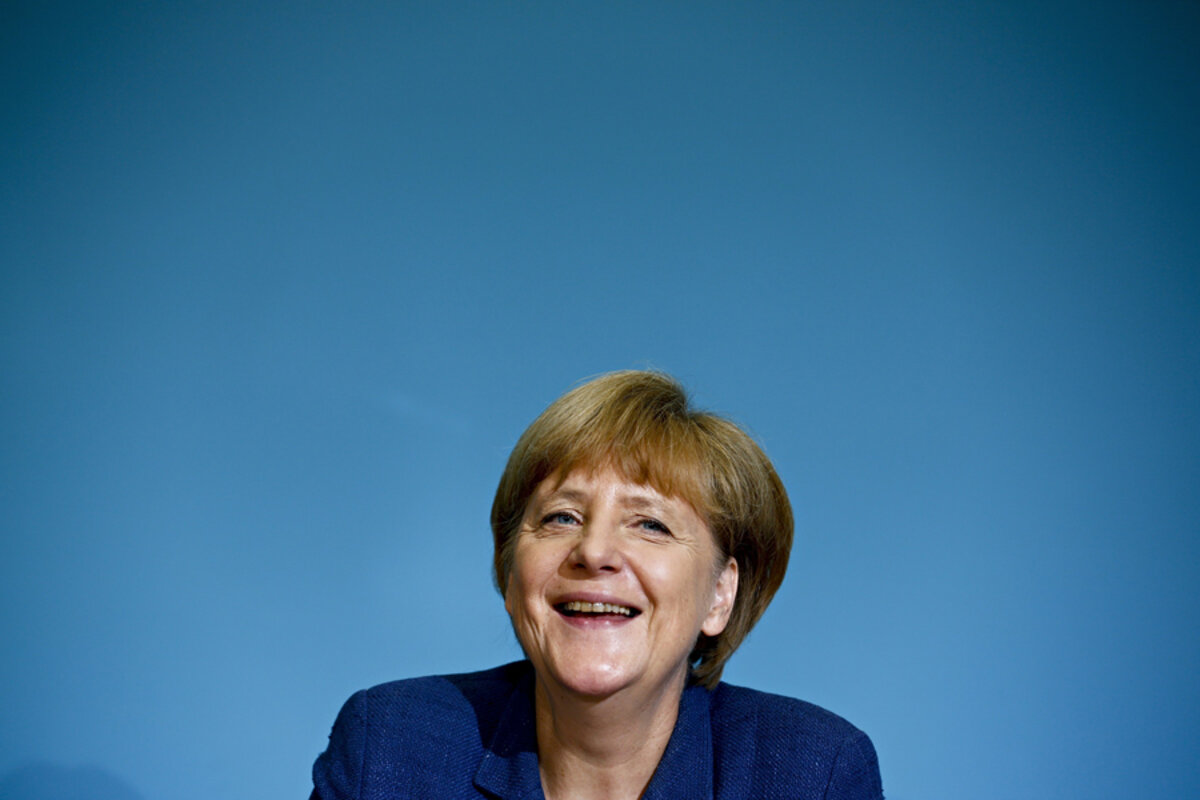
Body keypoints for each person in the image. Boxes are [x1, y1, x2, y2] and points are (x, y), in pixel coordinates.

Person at [311, 370, 883, 800]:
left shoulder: (811, 773)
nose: (593, 552)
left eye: (650, 524)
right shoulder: (390, 748)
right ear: (510, 573)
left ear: (719, 595)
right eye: (561, 517)